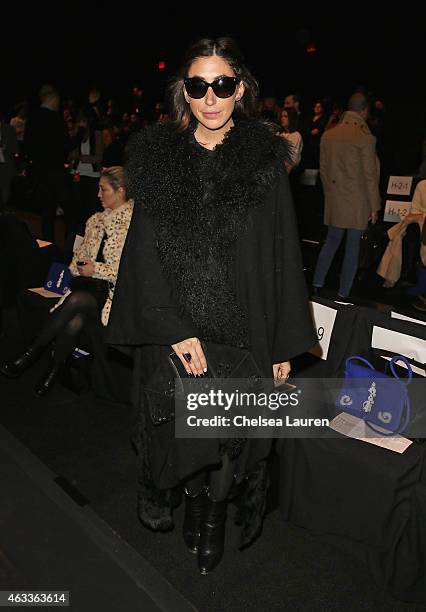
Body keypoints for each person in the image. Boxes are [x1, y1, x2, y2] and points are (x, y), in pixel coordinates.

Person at [106, 37, 316, 574]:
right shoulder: (158, 162)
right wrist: (174, 329)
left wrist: (285, 343)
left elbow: (282, 256)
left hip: (244, 327)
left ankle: (214, 519)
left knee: (231, 438)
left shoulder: (264, 165)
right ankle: (195, 504)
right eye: (198, 86)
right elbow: (142, 260)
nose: (211, 98)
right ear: (185, 92)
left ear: (239, 89)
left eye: (222, 85)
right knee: (186, 432)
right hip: (178, 328)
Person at [0, 167, 133, 396]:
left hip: (116, 293)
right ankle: (54, 368)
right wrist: (80, 266)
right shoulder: (95, 221)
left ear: (120, 191)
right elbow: (77, 259)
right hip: (88, 287)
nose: (98, 195)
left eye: (103, 189)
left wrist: (96, 269)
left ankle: (30, 355)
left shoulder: (134, 226)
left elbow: (130, 273)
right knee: (75, 319)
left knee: (76, 302)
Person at [312, 92, 381, 298]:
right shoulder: (364, 138)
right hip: (358, 201)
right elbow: (370, 175)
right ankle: (344, 293)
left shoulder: (328, 135)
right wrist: (374, 206)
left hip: (335, 199)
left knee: (331, 242)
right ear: (364, 110)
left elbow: (323, 171)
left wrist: (331, 195)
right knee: (352, 248)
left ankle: (317, 283)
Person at [278, 107, 303, 173]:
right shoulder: (279, 134)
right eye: (281, 116)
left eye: (285, 116)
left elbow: (292, 159)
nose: (282, 118)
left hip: (289, 172)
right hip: (278, 170)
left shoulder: (296, 135)